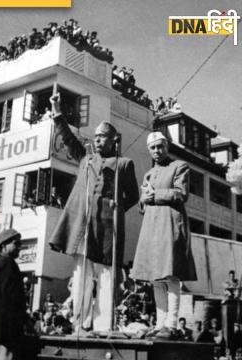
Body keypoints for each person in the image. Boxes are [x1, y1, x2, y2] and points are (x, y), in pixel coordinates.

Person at [48, 93, 139, 332]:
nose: (98, 141)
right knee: (81, 277)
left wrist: (117, 207)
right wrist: (57, 111)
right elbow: (68, 139)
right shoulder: (85, 159)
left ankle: (103, 324)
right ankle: (80, 322)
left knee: (107, 277)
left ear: (113, 140)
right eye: (96, 137)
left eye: (103, 137)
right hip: (83, 227)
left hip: (108, 230)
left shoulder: (124, 164)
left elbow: (134, 197)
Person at [131, 132, 197, 340]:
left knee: (170, 275)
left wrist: (155, 195)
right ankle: (160, 324)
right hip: (151, 226)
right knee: (156, 279)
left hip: (170, 223)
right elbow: (143, 202)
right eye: (153, 148)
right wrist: (144, 199)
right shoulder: (148, 174)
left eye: (160, 146)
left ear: (167, 147)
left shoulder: (179, 166)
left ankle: (172, 324)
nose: (157, 151)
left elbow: (181, 194)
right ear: (149, 150)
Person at [0, 229, 26, 360]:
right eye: (16, 243)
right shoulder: (8, 263)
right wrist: (24, 320)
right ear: (4, 246)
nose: (19, 247)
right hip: (6, 329)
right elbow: (11, 298)